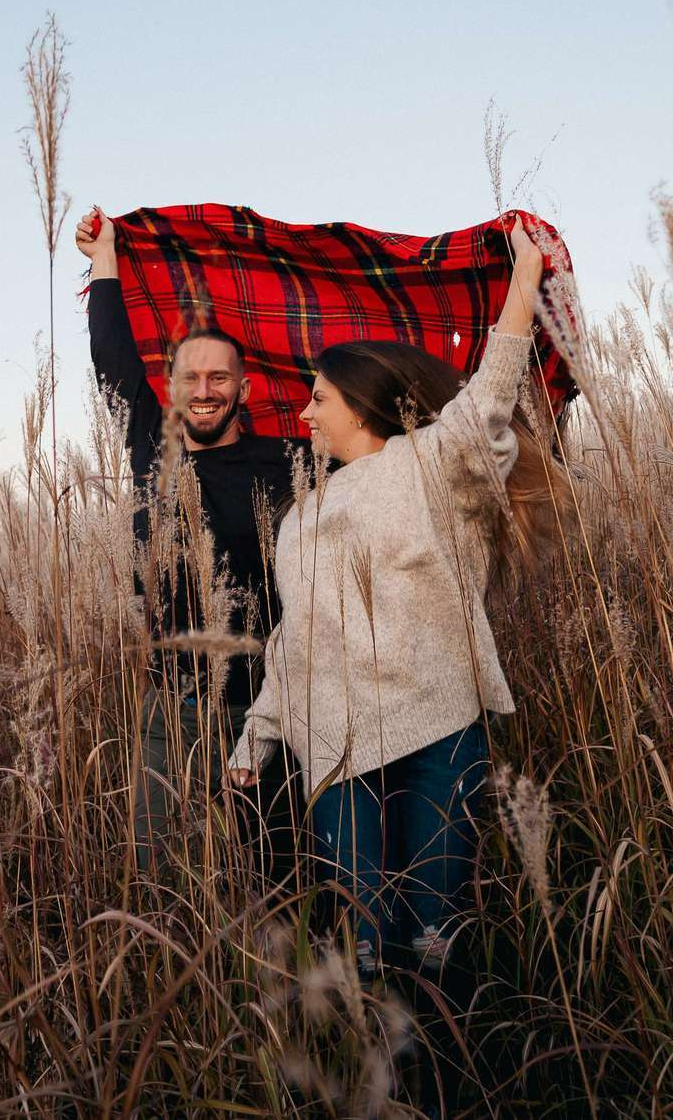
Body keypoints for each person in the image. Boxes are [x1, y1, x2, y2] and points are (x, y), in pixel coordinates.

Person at [226, 216, 570, 977]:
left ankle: (442, 1073)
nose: (306, 413)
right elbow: (296, 637)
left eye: (318, 398)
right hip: (335, 750)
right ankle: (381, 1075)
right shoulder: (300, 515)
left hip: (437, 731)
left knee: (435, 937)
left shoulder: (436, 464)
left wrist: (522, 282)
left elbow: (489, 394)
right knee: (366, 945)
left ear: (358, 400)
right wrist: (259, 734)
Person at [76, 206, 307, 876]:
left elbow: (378, 431)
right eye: (191, 379)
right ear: (169, 386)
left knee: (276, 879)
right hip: (168, 713)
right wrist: (106, 256)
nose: (204, 392)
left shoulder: (287, 459)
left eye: (219, 379)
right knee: (158, 879)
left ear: (245, 388)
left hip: (263, 706)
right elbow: (111, 355)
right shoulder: (152, 443)